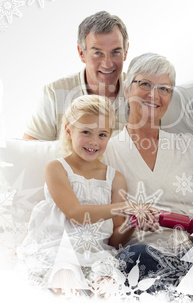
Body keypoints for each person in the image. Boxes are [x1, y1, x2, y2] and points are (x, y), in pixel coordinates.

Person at [18, 95, 158, 296]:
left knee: (108, 286)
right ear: (68, 130)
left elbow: (115, 240)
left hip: (96, 254)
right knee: (66, 281)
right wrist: (125, 206)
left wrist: (134, 223)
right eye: (86, 132)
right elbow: (76, 213)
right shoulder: (56, 168)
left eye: (102, 135)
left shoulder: (115, 178)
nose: (94, 141)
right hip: (59, 249)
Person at [103, 53, 193, 286]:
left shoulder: (192, 148)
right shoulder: (106, 152)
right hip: (143, 259)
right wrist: (131, 222)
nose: (154, 94)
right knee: (137, 258)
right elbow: (109, 239)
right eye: (144, 84)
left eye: (164, 88)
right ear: (126, 89)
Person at [23, 11, 129, 140]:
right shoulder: (55, 93)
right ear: (81, 53)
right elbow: (30, 150)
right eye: (98, 53)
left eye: (115, 52)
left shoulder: (143, 91)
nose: (107, 64)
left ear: (126, 51)